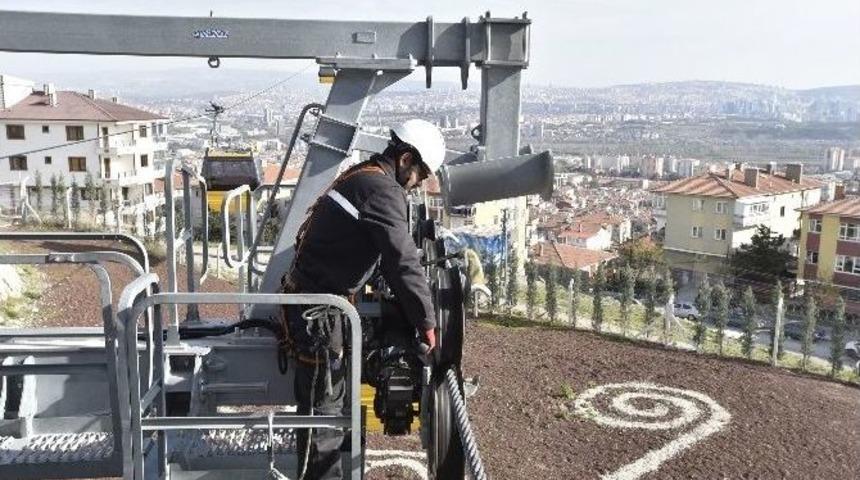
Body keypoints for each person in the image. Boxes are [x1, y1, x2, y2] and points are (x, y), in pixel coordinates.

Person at [280, 119, 446, 479]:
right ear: (405, 160)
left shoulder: (363, 174)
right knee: (322, 418)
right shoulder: (383, 190)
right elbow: (402, 260)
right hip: (319, 315)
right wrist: (427, 323)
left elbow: (385, 254)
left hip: (319, 305)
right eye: (420, 174)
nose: (417, 184)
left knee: (332, 411)